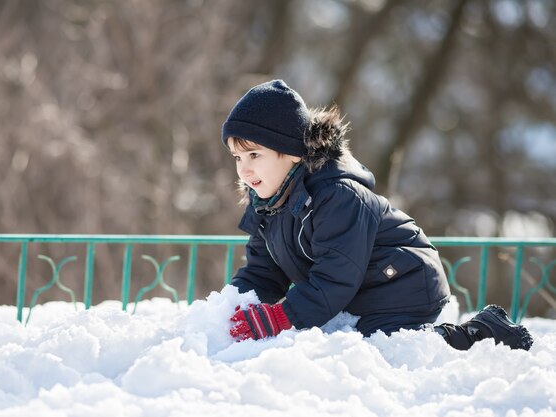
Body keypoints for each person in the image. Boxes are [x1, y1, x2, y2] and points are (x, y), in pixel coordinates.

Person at [221, 79, 533, 351]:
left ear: (290, 153)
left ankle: (482, 332)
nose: (244, 169)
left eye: (254, 155)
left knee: (384, 353)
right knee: (347, 344)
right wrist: (230, 309)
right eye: (237, 157)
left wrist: (283, 317)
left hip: (403, 284)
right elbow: (263, 272)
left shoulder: (338, 196)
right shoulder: (266, 203)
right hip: (358, 291)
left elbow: (334, 276)